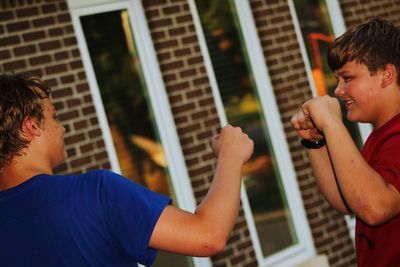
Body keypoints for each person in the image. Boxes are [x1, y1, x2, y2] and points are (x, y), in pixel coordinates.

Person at [0, 72, 254, 267]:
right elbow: (208, 236)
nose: (62, 128)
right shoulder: (95, 193)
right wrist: (230, 155)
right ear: (31, 126)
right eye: (54, 116)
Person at [291, 17, 400, 266]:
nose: (338, 91)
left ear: (386, 74)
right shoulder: (381, 135)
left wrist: (332, 123)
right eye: (337, 80)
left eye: (347, 78)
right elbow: (349, 201)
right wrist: (316, 143)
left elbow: (374, 208)